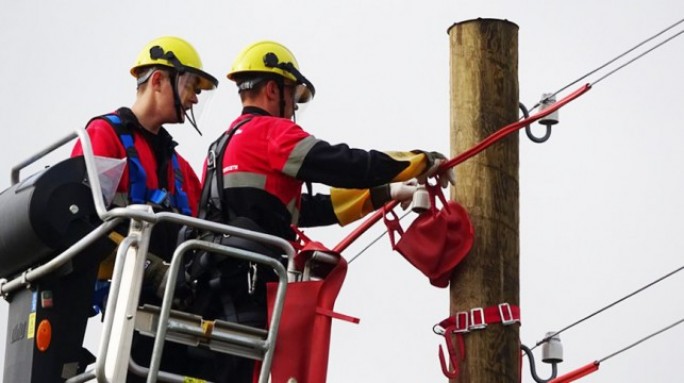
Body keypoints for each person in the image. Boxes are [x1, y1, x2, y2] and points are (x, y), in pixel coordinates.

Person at [191, 40, 454, 382]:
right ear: (273, 89)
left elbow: (300, 210)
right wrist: (419, 162)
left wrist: (385, 193)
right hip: (251, 284)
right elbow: (343, 164)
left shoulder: (221, 146)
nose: (293, 110)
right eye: (292, 97)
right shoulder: (273, 132)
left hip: (218, 284)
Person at [71, 36, 218, 382]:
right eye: (191, 84)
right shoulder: (103, 137)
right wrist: (152, 269)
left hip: (177, 315)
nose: (196, 97)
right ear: (157, 80)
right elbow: (83, 224)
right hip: (129, 310)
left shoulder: (181, 168)